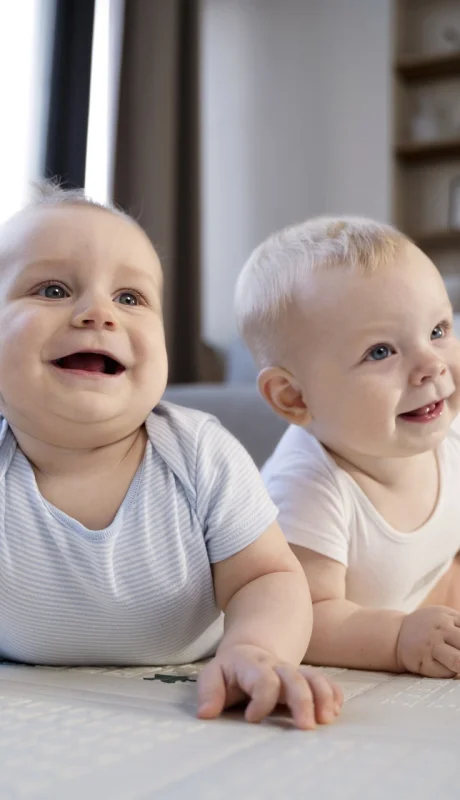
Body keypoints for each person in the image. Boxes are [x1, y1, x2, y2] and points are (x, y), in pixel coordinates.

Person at [0, 183, 342, 729]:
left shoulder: (200, 454)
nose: (97, 313)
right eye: (53, 289)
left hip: (185, 700)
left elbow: (267, 577)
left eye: (130, 298)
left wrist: (256, 650)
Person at [235, 215, 460, 678]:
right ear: (294, 397)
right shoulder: (307, 489)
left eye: (438, 330)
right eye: (381, 351)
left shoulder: (446, 435)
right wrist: (397, 638)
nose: (431, 366)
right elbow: (302, 618)